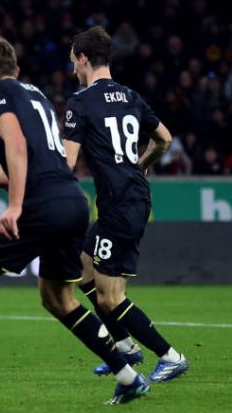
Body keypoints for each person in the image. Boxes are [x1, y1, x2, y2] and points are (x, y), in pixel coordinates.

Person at [0, 35, 148, 406]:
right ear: (17, 69)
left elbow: (16, 147)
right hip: (72, 201)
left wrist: (15, 206)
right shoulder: (34, 95)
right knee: (58, 299)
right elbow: (7, 169)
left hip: (40, 204)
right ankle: (128, 375)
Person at [64, 26, 189, 382]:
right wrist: (140, 166)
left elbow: (67, 164)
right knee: (83, 261)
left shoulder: (81, 102)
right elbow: (163, 138)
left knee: (109, 297)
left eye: (73, 60)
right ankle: (124, 345)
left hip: (119, 205)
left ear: (85, 58)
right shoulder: (131, 97)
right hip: (132, 197)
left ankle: (169, 355)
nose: (73, 68)